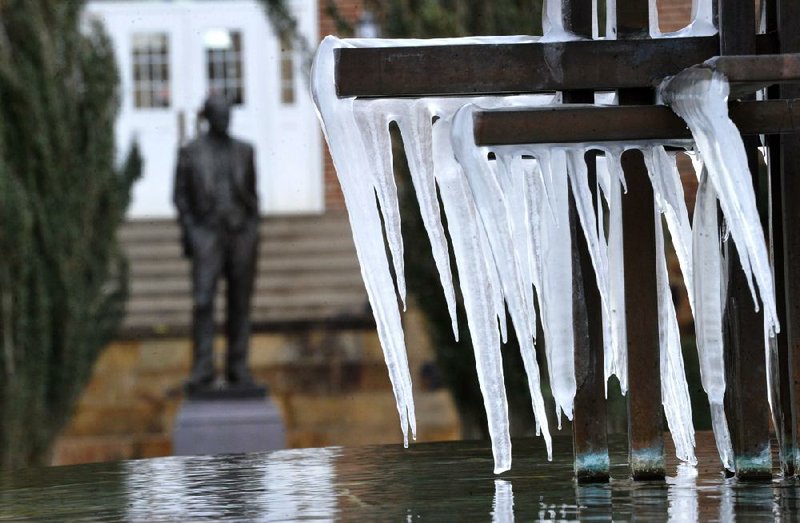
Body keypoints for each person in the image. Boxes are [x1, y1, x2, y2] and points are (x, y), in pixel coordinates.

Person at [174, 94, 260, 392]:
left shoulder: (245, 151)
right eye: (220, 115)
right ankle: (203, 368)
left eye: (228, 115)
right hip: (207, 234)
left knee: (239, 303)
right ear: (208, 117)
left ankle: (238, 367)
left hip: (240, 234)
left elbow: (252, 198)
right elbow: (180, 198)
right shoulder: (190, 152)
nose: (225, 120)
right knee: (203, 301)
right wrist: (191, 232)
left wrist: (252, 231)